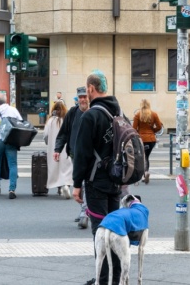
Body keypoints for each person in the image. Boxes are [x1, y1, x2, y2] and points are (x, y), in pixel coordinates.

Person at [72, 70, 122, 285]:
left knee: (100, 234)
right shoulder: (118, 112)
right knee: (115, 233)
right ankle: (115, 277)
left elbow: (81, 154)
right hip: (116, 180)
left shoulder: (90, 116)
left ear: (91, 89)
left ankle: (103, 280)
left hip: (96, 182)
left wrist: (76, 185)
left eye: (87, 89)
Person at [54, 86, 90, 229]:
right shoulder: (72, 113)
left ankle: (85, 213)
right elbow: (63, 133)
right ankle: (84, 209)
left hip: (92, 156)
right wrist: (58, 149)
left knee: (87, 182)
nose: (82, 99)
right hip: (76, 154)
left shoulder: (95, 112)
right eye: (80, 97)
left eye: (85, 97)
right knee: (79, 182)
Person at [43, 101, 73, 199]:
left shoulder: (50, 121)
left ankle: (59, 188)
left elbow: (45, 136)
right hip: (65, 148)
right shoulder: (67, 120)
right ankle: (66, 186)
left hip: (54, 149)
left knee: (56, 169)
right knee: (67, 169)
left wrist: (49, 143)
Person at [132, 99, 162, 184]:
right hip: (151, 139)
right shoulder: (154, 114)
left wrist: (138, 134)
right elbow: (159, 126)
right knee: (146, 156)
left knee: (142, 157)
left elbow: (134, 129)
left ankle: (144, 174)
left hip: (141, 139)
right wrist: (153, 131)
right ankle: (146, 172)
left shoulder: (138, 115)